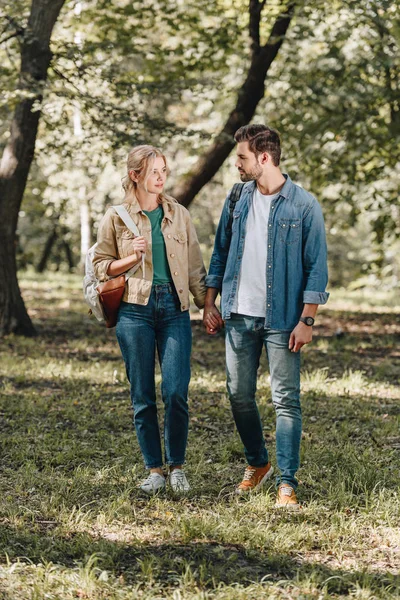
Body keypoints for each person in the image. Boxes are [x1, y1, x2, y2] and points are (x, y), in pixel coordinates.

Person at [203, 124, 329, 508]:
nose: (236, 165)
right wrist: (210, 302)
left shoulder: (303, 205)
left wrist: (306, 320)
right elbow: (220, 252)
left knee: (285, 399)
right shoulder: (237, 197)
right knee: (239, 395)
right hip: (239, 313)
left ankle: (287, 483)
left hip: (283, 318)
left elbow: (317, 267)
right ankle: (258, 463)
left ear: (264, 158)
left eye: (241, 158)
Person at [93, 145, 206, 495]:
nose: (161, 177)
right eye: (154, 171)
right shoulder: (116, 216)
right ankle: (154, 471)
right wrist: (129, 259)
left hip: (174, 308)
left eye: (163, 171)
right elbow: (99, 266)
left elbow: (194, 269)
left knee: (175, 392)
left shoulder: (179, 214)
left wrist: (210, 308)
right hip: (134, 309)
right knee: (142, 393)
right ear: (135, 175)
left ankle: (177, 468)